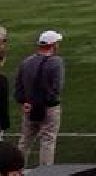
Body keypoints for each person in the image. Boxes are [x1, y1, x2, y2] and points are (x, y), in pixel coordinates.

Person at [12, 30, 63, 167]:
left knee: (25, 140)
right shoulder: (56, 62)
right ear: (53, 45)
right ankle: (45, 173)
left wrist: (24, 102)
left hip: (29, 107)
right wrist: (47, 102)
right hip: (49, 108)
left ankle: (16, 170)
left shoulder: (26, 62)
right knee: (48, 140)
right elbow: (56, 88)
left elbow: (18, 87)